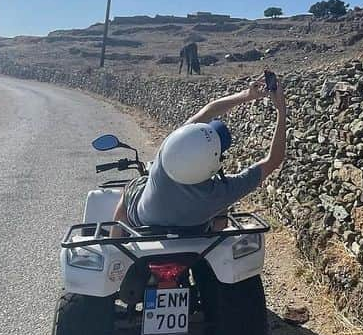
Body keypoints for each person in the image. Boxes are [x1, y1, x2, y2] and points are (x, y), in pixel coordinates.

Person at [113, 74, 286, 231]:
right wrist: (281, 110)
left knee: (128, 189)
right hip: (195, 232)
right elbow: (274, 159)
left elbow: (209, 110)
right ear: (216, 159)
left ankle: (115, 252)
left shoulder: (168, 148)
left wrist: (246, 95)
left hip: (143, 222)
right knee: (222, 211)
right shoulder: (223, 191)